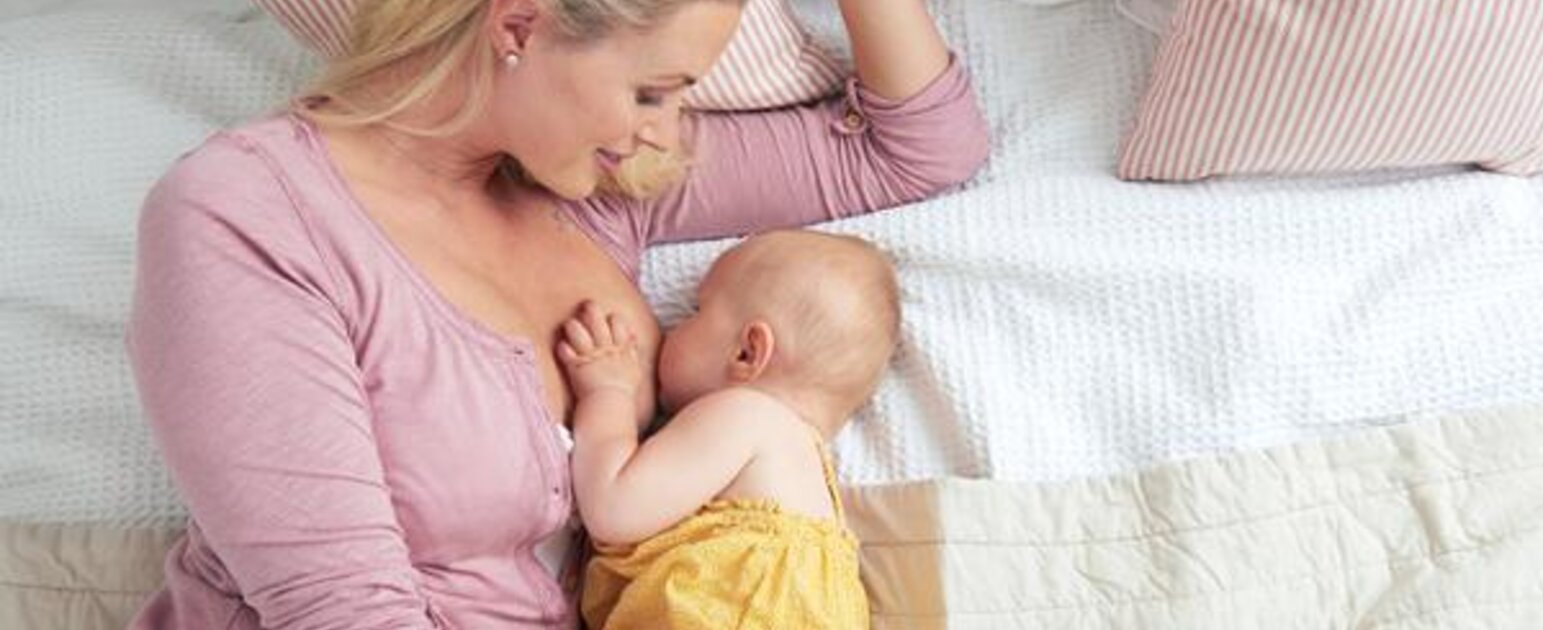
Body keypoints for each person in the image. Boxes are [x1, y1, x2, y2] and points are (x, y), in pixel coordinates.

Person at [125, 0, 988, 625]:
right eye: (654, 90)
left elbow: (917, 148)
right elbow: (341, 610)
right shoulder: (250, 215)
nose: (665, 130)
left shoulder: (596, 190)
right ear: (519, 26)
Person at [558, 229, 898, 629]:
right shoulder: (814, 487)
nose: (671, 329)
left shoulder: (745, 415)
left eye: (694, 311)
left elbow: (613, 507)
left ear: (746, 353)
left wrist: (608, 391)